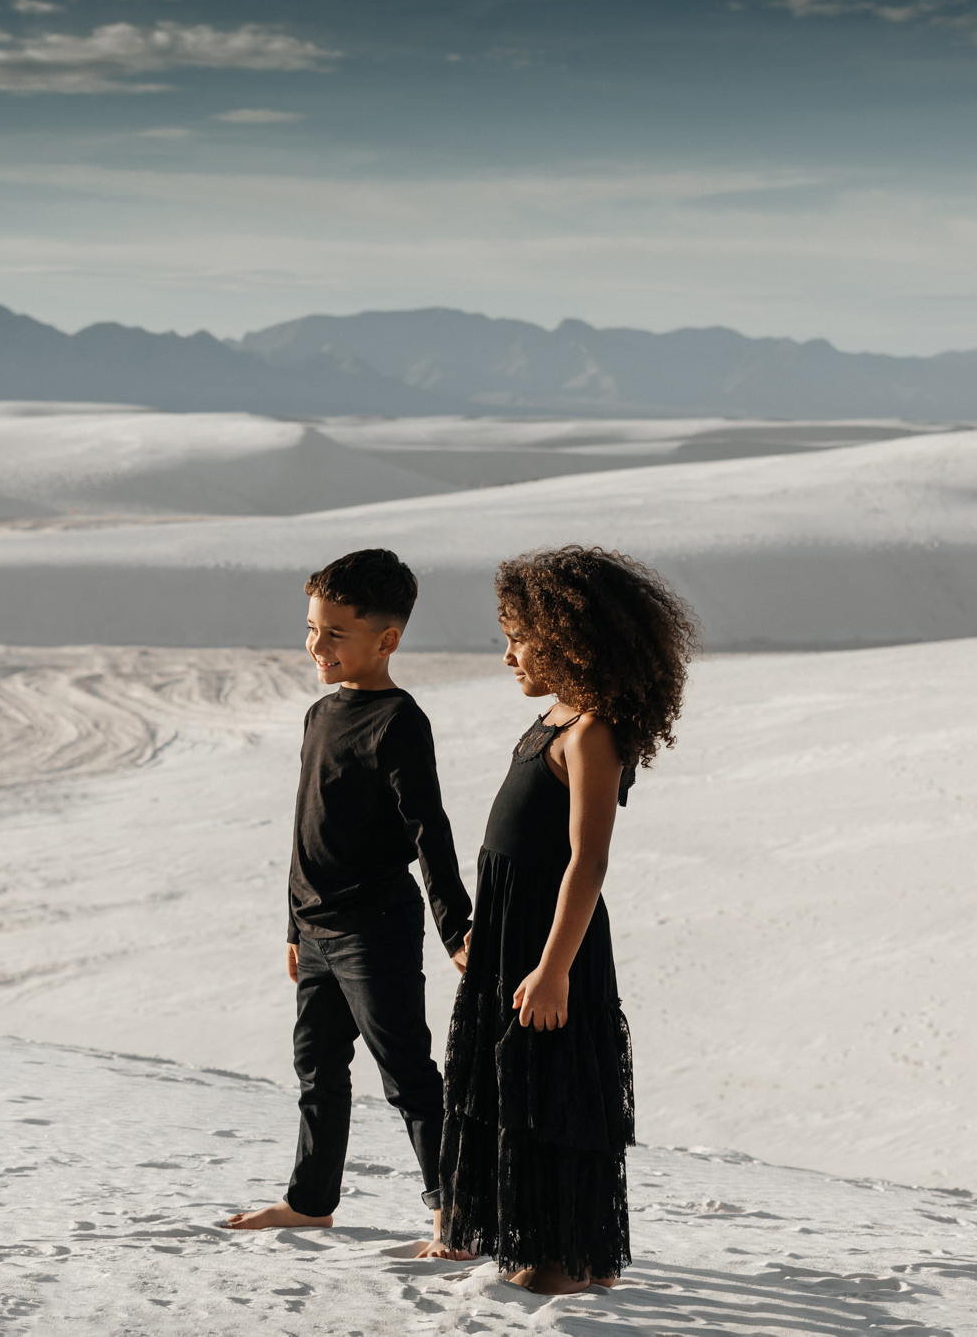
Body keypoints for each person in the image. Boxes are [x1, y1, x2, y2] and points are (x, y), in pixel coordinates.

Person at [439, 545, 699, 1294]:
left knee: (554, 1092)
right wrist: (481, 939)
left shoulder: (591, 733)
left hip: (554, 944)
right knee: (507, 1087)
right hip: (511, 934)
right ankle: (532, 1243)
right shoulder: (551, 719)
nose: (508, 656)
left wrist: (551, 970)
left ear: (572, 641)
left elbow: (585, 862)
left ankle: (570, 1262)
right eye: (506, 635)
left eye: (521, 638)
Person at [224, 549, 475, 1258]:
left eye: (335, 633)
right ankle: (310, 1202)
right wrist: (291, 924)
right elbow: (305, 826)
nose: (315, 645)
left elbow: (430, 830)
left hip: (375, 927)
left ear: (385, 640)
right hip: (316, 927)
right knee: (316, 1070)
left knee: (406, 1073)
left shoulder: (398, 720)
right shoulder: (318, 715)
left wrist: (456, 927)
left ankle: (454, 1210)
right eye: (312, 628)